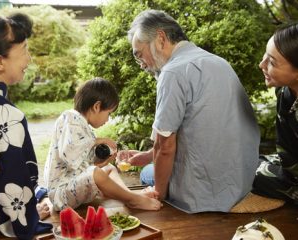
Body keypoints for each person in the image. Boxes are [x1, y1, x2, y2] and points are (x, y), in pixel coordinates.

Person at [122, 9, 260, 213]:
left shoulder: (172, 72)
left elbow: (166, 147)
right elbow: (203, 131)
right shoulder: (218, 62)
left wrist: (158, 196)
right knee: (151, 165)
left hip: (203, 192)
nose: (141, 65)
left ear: (160, 38)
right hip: (242, 180)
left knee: (148, 175)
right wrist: (146, 155)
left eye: (139, 54)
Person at [0, 13, 52, 239]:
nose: (28, 59)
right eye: (24, 51)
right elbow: (14, 180)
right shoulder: (5, 114)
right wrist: (28, 217)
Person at [43, 78, 162, 211]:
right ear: (96, 107)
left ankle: (129, 196)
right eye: (109, 113)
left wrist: (102, 161)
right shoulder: (70, 118)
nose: (108, 119)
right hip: (61, 194)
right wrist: (97, 141)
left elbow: (82, 163)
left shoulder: (83, 126)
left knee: (109, 169)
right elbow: (69, 153)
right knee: (96, 173)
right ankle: (134, 199)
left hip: (73, 185)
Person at [252, 23, 298, 204]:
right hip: (291, 168)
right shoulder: (284, 92)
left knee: (243, 175)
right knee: (239, 164)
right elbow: (286, 153)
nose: (261, 64)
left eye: (271, 62)